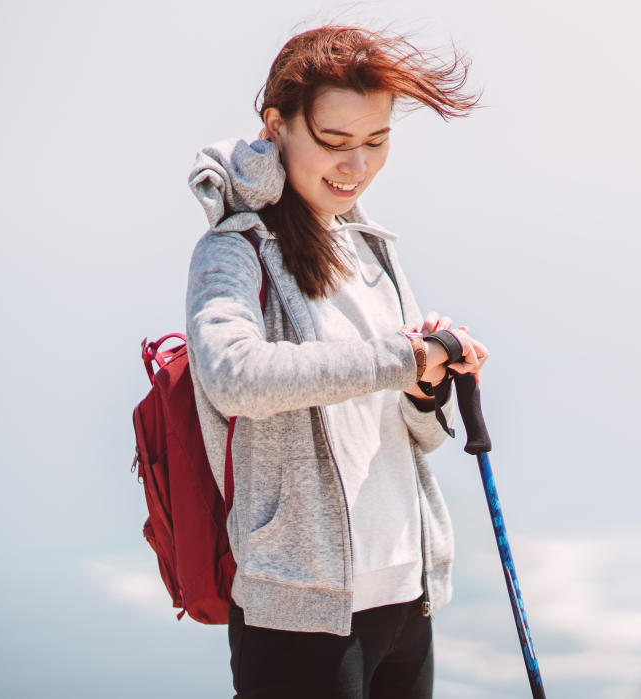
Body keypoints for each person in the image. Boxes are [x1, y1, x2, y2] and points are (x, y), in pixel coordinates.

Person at [183, 25, 486, 699]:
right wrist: (401, 357)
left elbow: (420, 437)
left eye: (376, 141)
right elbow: (234, 378)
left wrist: (428, 386)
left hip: (406, 592)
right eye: (334, 140)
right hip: (299, 613)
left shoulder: (373, 248)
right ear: (278, 123)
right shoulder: (234, 252)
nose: (357, 164)